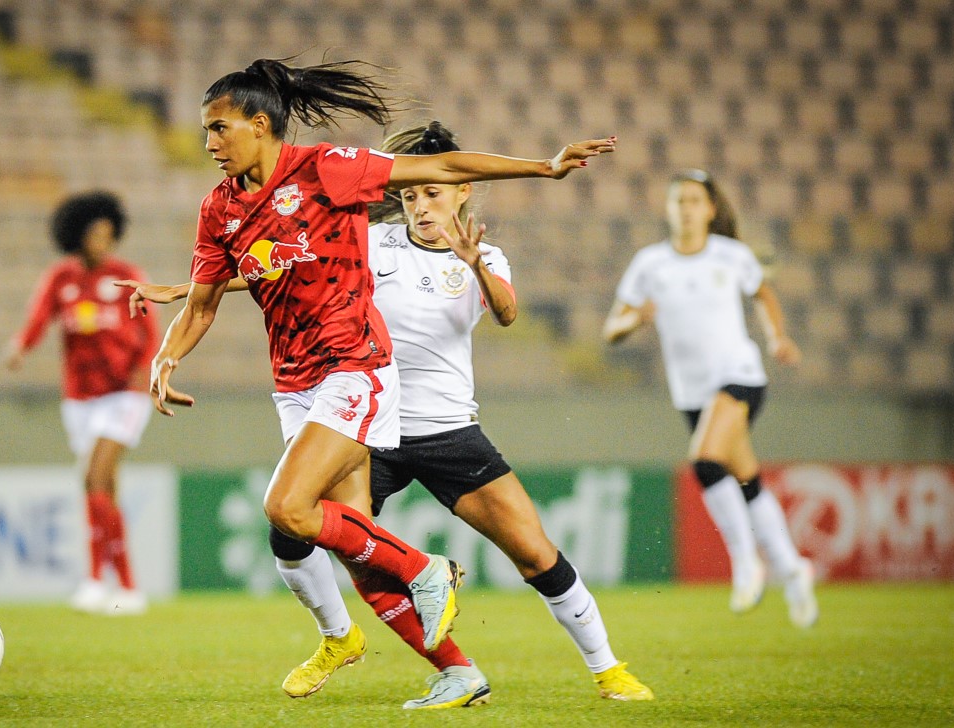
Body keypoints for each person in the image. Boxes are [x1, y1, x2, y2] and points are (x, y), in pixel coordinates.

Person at [113, 58, 616, 700]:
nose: (208, 143)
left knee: (287, 507)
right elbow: (207, 301)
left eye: (218, 128)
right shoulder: (219, 209)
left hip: (356, 366)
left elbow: (444, 167)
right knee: (349, 541)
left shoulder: (327, 169)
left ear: (260, 124)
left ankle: (426, 572)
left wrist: (542, 167)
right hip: (294, 381)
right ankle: (454, 670)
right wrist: (165, 356)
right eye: (205, 131)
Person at [602, 169, 818, 628]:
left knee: (704, 460)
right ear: (669, 209)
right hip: (692, 392)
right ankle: (793, 569)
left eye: (694, 201)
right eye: (678, 201)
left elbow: (763, 293)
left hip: (739, 377)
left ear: (710, 209)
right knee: (746, 477)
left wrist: (777, 337)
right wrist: (631, 322)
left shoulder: (731, 255)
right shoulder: (650, 264)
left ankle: (746, 564)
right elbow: (611, 328)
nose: (686, 209)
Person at [4, 191, 158, 616]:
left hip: (124, 394)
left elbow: (151, 335)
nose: (102, 241)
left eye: (109, 233)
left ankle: (100, 580)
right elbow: (38, 319)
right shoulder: (61, 279)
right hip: (80, 400)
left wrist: (144, 378)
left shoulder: (127, 276)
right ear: (77, 236)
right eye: (95, 233)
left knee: (94, 476)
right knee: (101, 488)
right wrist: (21, 345)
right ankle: (124, 587)